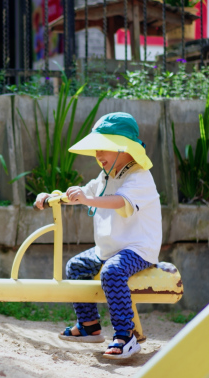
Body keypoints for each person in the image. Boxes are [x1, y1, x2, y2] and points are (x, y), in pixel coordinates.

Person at [35, 112, 161, 360]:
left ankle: (126, 336)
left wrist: (88, 198)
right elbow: (82, 193)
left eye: (103, 148)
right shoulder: (106, 176)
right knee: (76, 266)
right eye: (96, 148)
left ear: (124, 148)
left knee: (113, 271)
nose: (97, 155)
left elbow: (118, 201)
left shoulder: (139, 177)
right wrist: (51, 197)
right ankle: (89, 325)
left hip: (138, 249)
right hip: (111, 248)